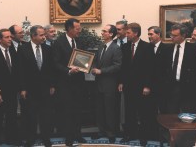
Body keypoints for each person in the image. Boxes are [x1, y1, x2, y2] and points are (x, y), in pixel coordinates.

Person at [18, 25, 56, 147]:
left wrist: (52, 85)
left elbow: (51, 69)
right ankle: (30, 139)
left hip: (45, 89)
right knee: (30, 116)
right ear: (33, 36)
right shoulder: (23, 49)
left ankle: (46, 138)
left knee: (46, 115)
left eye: (44, 34)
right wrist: (22, 88)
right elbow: (21, 71)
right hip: (29, 90)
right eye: (41, 35)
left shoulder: (48, 49)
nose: (44, 37)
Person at [53, 18, 86, 146]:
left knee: (78, 110)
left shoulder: (79, 41)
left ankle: (78, 134)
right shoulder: (58, 43)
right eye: (77, 28)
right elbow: (55, 63)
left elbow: (82, 59)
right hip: (65, 83)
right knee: (67, 111)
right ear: (70, 29)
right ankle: (69, 137)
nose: (80, 30)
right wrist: (68, 70)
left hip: (79, 83)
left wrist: (85, 66)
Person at [118, 23, 152, 146]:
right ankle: (129, 134)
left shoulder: (147, 47)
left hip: (142, 87)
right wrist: (121, 82)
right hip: (128, 85)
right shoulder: (125, 47)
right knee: (129, 111)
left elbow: (150, 69)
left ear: (136, 33)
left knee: (143, 112)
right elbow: (123, 67)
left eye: (128, 33)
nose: (126, 35)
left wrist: (147, 86)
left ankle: (143, 137)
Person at [91, 24, 122, 143]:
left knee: (109, 109)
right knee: (99, 109)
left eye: (104, 31)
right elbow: (96, 62)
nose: (102, 33)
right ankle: (101, 131)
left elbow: (117, 66)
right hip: (98, 83)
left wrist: (101, 71)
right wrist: (93, 68)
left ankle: (111, 133)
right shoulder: (100, 46)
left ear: (111, 34)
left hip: (110, 84)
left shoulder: (116, 48)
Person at [0, 28, 21, 145]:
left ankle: (12, 139)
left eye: (11, 37)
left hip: (12, 91)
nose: (10, 39)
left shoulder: (13, 51)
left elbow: (16, 71)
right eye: (7, 37)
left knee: (12, 116)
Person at [163, 24, 196, 114]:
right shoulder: (168, 49)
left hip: (188, 88)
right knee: (171, 114)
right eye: (171, 35)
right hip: (171, 87)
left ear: (183, 35)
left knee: (187, 114)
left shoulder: (194, 48)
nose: (172, 37)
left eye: (175, 35)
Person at [147, 26, 169, 140]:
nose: (149, 36)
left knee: (163, 111)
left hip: (163, 87)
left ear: (158, 35)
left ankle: (164, 135)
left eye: (151, 34)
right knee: (150, 111)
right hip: (149, 87)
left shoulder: (167, 48)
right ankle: (152, 134)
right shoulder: (147, 48)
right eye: (148, 34)